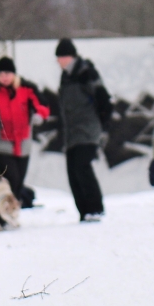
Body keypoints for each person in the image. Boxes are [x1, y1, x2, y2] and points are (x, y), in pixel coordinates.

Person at [0, 56, 50, 209]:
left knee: (18, 184)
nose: (4, 78)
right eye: (1, 74)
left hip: (23, 145)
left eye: (7, 74)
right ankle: (4, 213)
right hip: (1, 144)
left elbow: (42, 104)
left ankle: (10, 212)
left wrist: (40, 115)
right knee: (12, 179)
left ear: (14, 74)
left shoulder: (27, 89)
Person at [55, 38, 113, 223]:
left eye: (61, 57)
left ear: (69, 57)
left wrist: (104, 127)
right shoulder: (65, 76)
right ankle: (84, 211)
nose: (58, 62)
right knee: (72, 170)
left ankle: (96, 208)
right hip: (72, 132)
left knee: (82, 166)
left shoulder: (86, 72)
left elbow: (103, 98)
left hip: (88, 129)